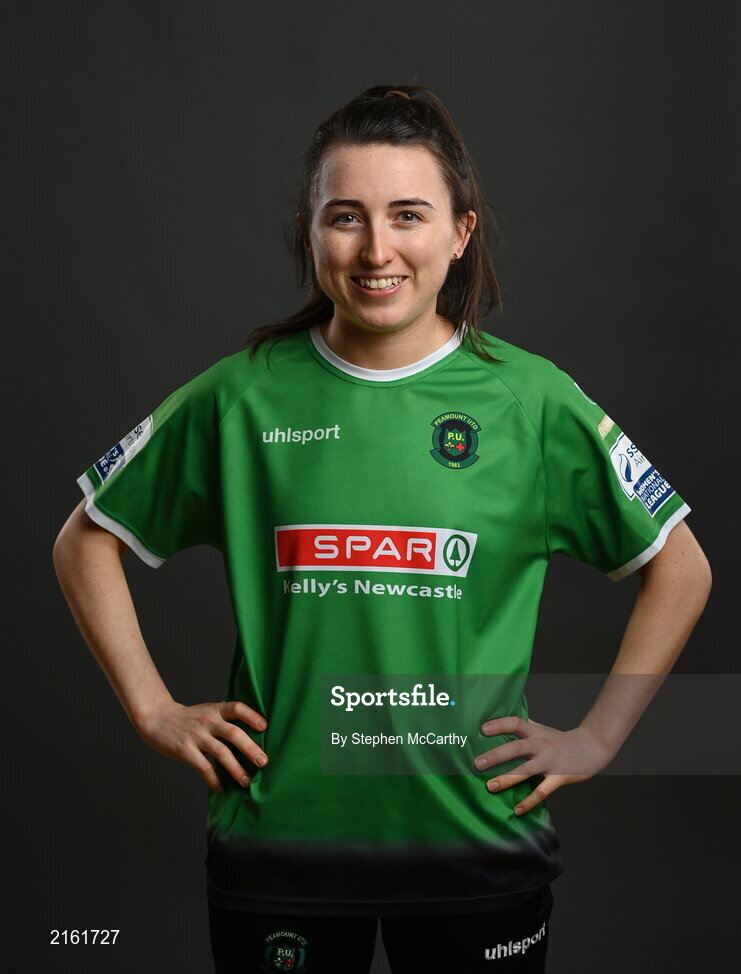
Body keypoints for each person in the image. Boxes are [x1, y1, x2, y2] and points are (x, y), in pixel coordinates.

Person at [53, 83, 712, 973]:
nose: (376, 250)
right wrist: (153, 711)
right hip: (279, 847)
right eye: (344, 217)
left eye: (408, 214)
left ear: (460, 232)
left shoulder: (531, 399)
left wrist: (597, 736)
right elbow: (84, 540)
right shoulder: (242, 394)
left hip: (476, 847)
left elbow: (681, 567)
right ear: (309, 231)